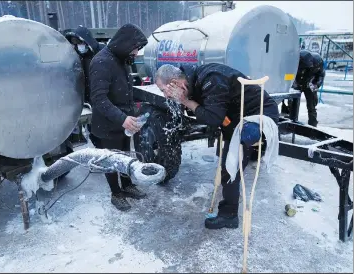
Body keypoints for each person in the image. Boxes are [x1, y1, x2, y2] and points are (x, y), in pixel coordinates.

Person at [155, 63, 279, 230]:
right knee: (227, 165)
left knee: (231, 165)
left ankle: (229, 215)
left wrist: (185, 100)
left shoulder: (212, 80)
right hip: (236, 116)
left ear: (176, 83)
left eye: (165, 90)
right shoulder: (195, 80)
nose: (166, 96)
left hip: (258, 116)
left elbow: (213, 118)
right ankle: (229, 209)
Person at [89, 24, 148, 211]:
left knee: (125, 156)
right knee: (111, 161)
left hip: (122, 122)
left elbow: (125, 91)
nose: (137, 53)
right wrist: (122, 118)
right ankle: (116, 193)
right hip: (108, 124)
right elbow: (98, 98)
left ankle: (128, 185)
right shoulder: (102, 62)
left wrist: (132, 115)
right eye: (135, 48)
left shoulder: (121, 59)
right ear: (125, 44)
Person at [65, 25, 105, 103]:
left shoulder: (102, 52)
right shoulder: (78, 56)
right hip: (88, 98)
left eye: (79, 42)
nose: (78, 45)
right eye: (75, 43)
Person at [291, 50, 325, 127]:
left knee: (311, 105)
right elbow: (289, 74)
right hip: (298, 82)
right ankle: (291, 120)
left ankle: (313, 123)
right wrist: (294, 83)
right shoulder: (295, 61)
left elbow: (321, 75)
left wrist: (316, 84)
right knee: (293, 103)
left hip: (310, 83)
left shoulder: (318, 61)